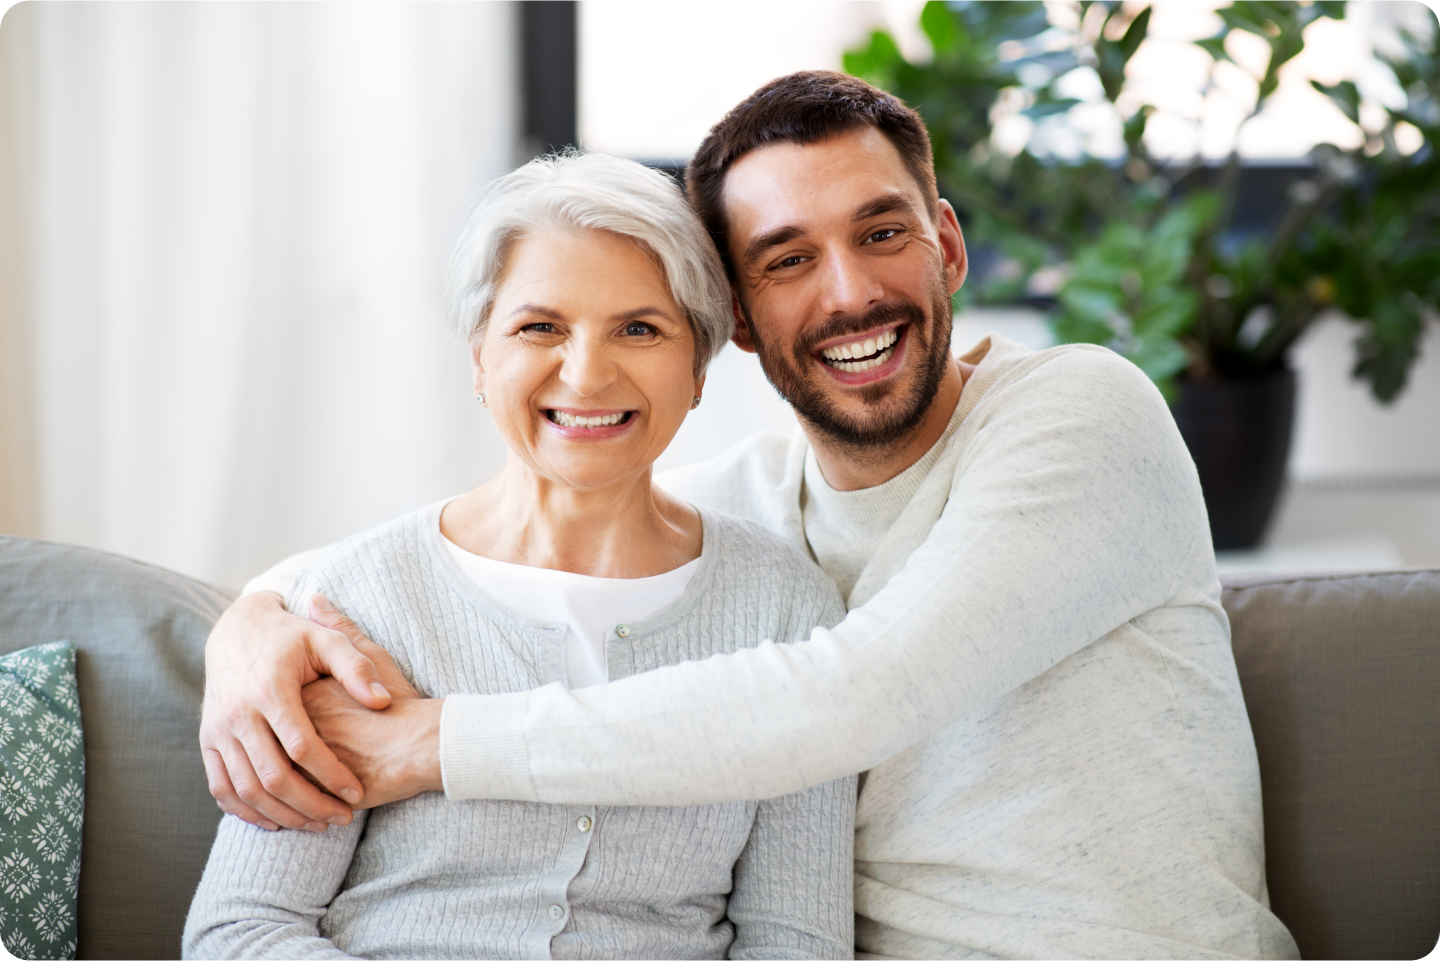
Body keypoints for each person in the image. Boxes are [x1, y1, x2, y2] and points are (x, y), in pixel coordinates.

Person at [201, 72, 1300, 960]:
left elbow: (858, 693)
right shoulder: (753, 504)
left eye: (881, 233)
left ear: (949, 248)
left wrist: (435, 742)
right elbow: (466, 547)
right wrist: (251, 622)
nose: (848, 293)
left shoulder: (1081, 410)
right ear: (735, 320)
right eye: (787, 259)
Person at [182, 151, 856, 960]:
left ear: (698, 365)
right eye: (541, 326)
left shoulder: (788, 614)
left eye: (638, 328)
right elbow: (241, 930)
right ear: (479, 356)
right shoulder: (350, 607)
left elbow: (796, 939)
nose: (587, 373)